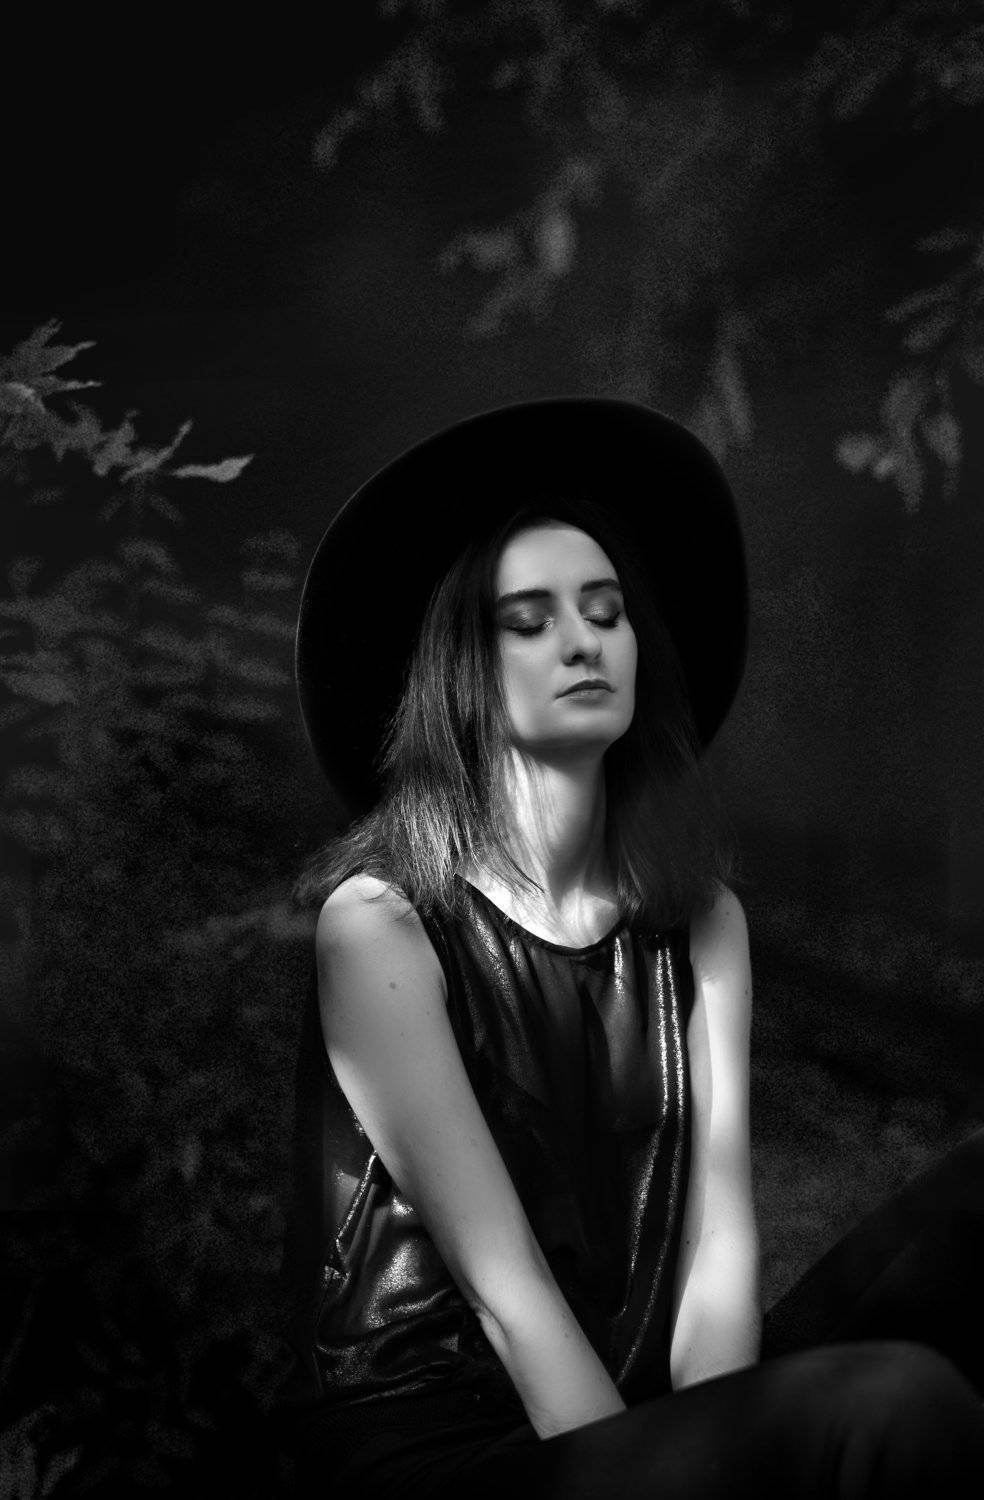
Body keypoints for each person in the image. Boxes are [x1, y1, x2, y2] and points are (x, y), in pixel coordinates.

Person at [274, 398, 984, 1498]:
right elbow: (504, 1290)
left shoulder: (700, 921)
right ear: (462, 668)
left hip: (646, 1420)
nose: (581, 641)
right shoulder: (381, 925)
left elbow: (717, 1250)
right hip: (457, 1448)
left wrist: (723, 1442)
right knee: (893, 1401)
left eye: (605, 611)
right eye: (529, 621)